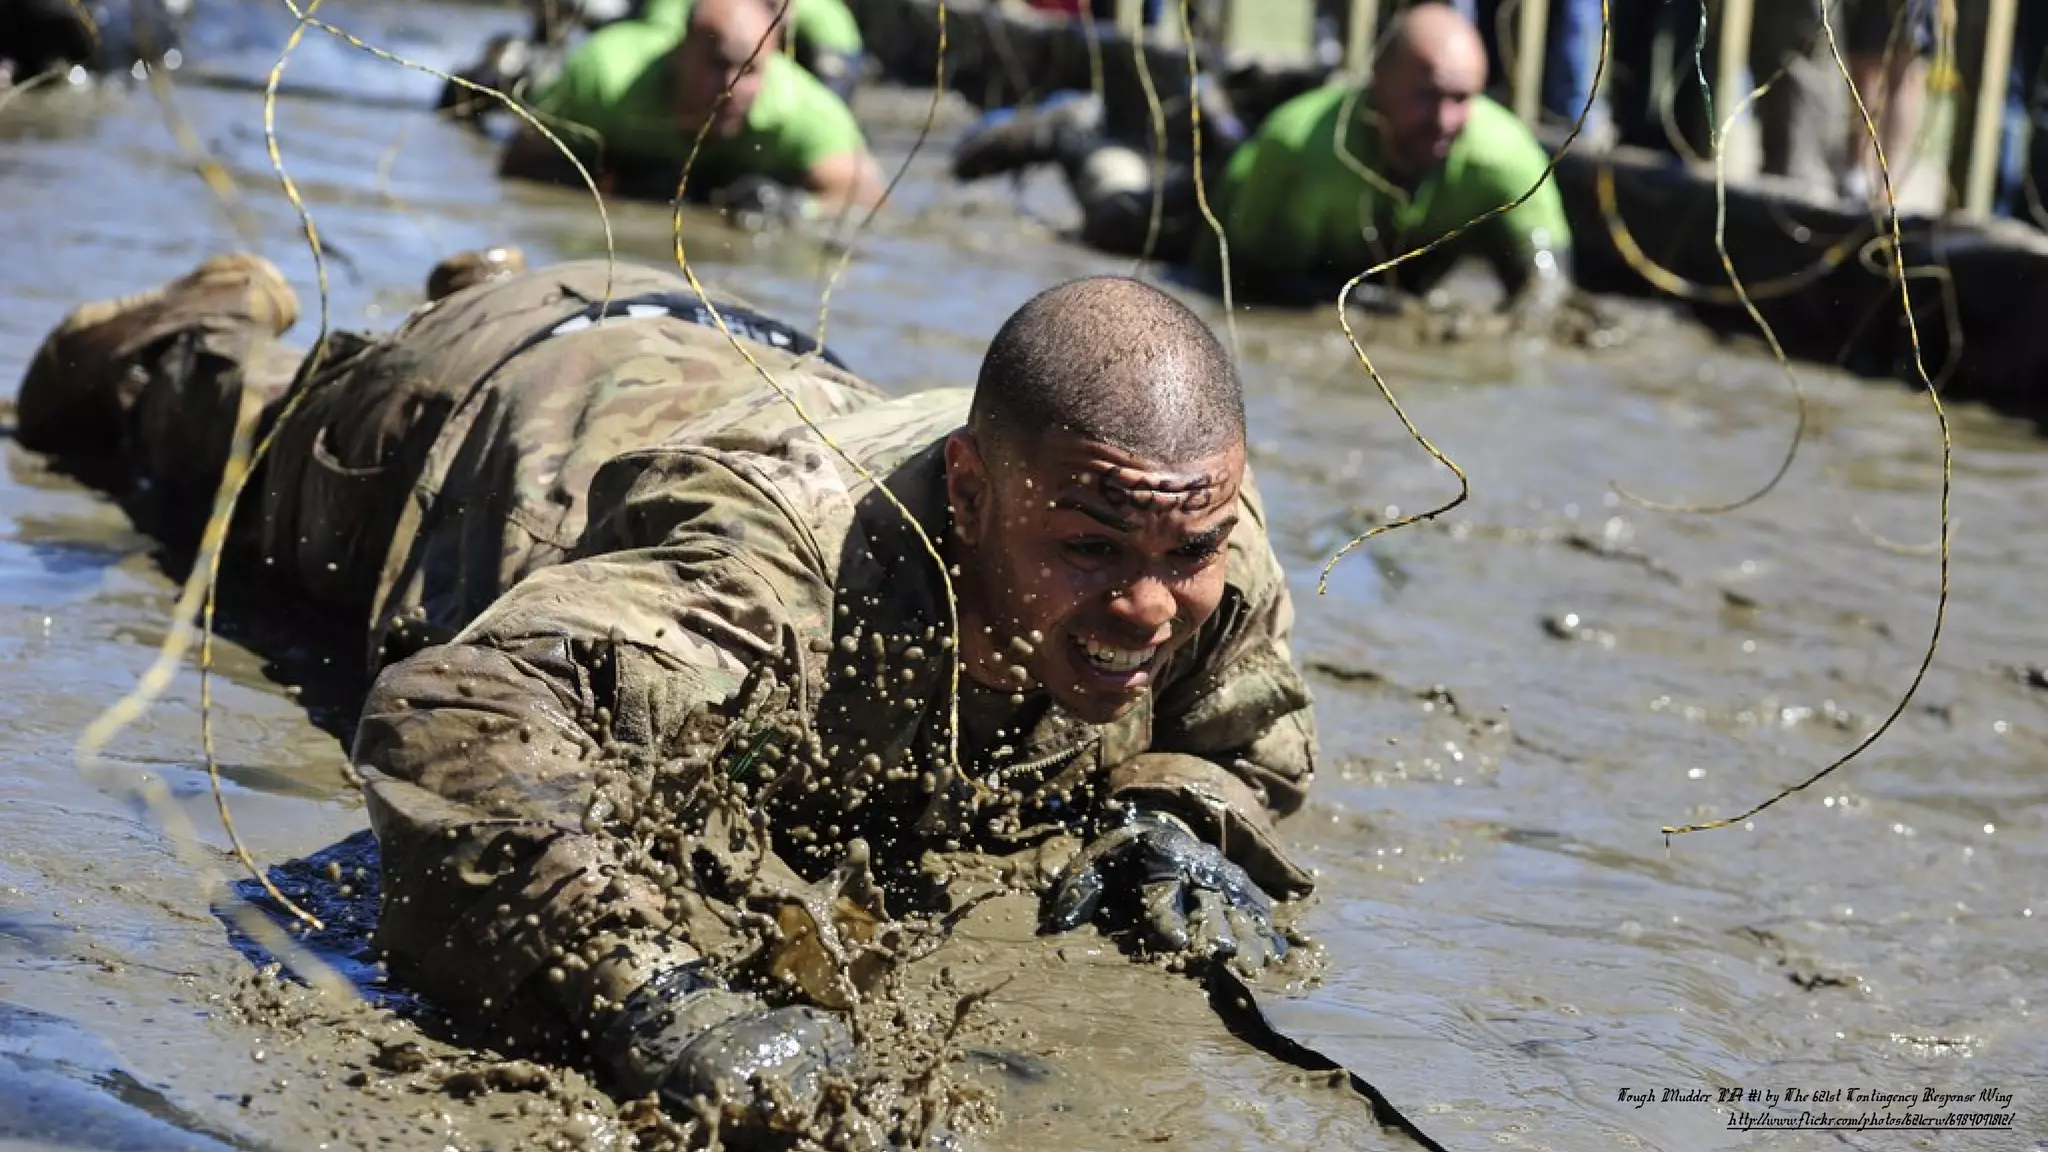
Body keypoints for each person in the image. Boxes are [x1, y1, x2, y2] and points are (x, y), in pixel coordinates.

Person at [17, 252, 1317, 1136]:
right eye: (1089, 551)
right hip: (477, 415)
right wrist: (664, 1004)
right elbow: (449, 724)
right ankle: (202, 332)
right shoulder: (770, 591)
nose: (1150, 606)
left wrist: (1179, 813)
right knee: (187, 433)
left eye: (1183, 556)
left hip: (729, 356)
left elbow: (1239, 738)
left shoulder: (1187, 512)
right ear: (969, 497)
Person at [954, 4, 1570, 318]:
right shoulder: (1298, 148)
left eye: (1461, 98)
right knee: (1115, 223)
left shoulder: (1507, 158)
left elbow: (1546, 287)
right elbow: (1236, 283)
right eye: (1424, 96)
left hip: (1354, 263)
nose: (1443, 121)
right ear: (1377, 81)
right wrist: (1361, 312)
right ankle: (1075, 137)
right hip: (1222, 214)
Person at [498, 0, 884, 214]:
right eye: (717, 65)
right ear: (678, 54)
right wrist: (607, 184)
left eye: (749, 71)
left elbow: (866, 200)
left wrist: (793, 208)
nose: (731, 87)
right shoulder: (607, 77)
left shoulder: (802, 108)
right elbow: (517, 164)